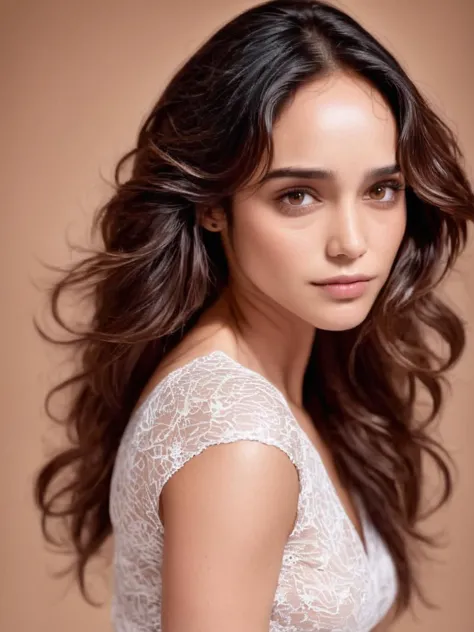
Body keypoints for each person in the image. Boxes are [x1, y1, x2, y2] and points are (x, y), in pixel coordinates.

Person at [34, 1, 474, 631]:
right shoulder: (237, 438)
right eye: (298, 195)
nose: (352, 241)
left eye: (382, 189)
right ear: (213, 204)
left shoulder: (300, 379)